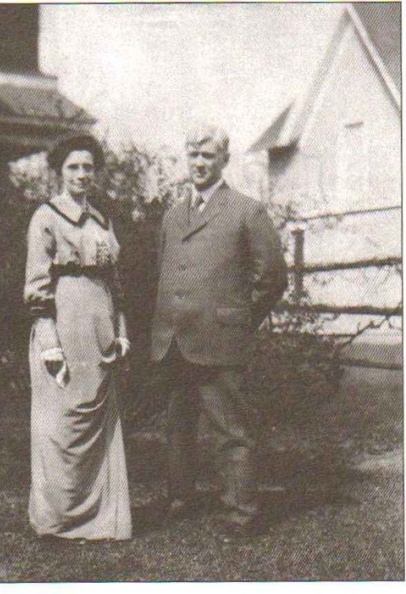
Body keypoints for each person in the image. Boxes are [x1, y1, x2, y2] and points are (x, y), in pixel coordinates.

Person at [151, 124, 288, 543]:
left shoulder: (246, 211)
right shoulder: (173, 216)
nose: (199, 163)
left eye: (208, 156)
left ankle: (241, 513)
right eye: (193, 155)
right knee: (177, 425)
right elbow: (164, 271)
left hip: (220, 340)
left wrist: (239, 318)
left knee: (230, 428)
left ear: (223, 161)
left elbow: (272, 277)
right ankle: (181, 498)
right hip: (173, 338)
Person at [24, 135, 132, 542]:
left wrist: (121, 331)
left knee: (96, 419)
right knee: (61, 422)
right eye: (73, 167)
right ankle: (59, 518)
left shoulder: (102, 222)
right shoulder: (46, 217)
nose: (82, 174)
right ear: (60, 171)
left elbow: (116, 286)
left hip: (100, 326)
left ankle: (101, 520)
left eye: (88, 167)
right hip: (64, 324)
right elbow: (37, 286)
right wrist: (49, 341)